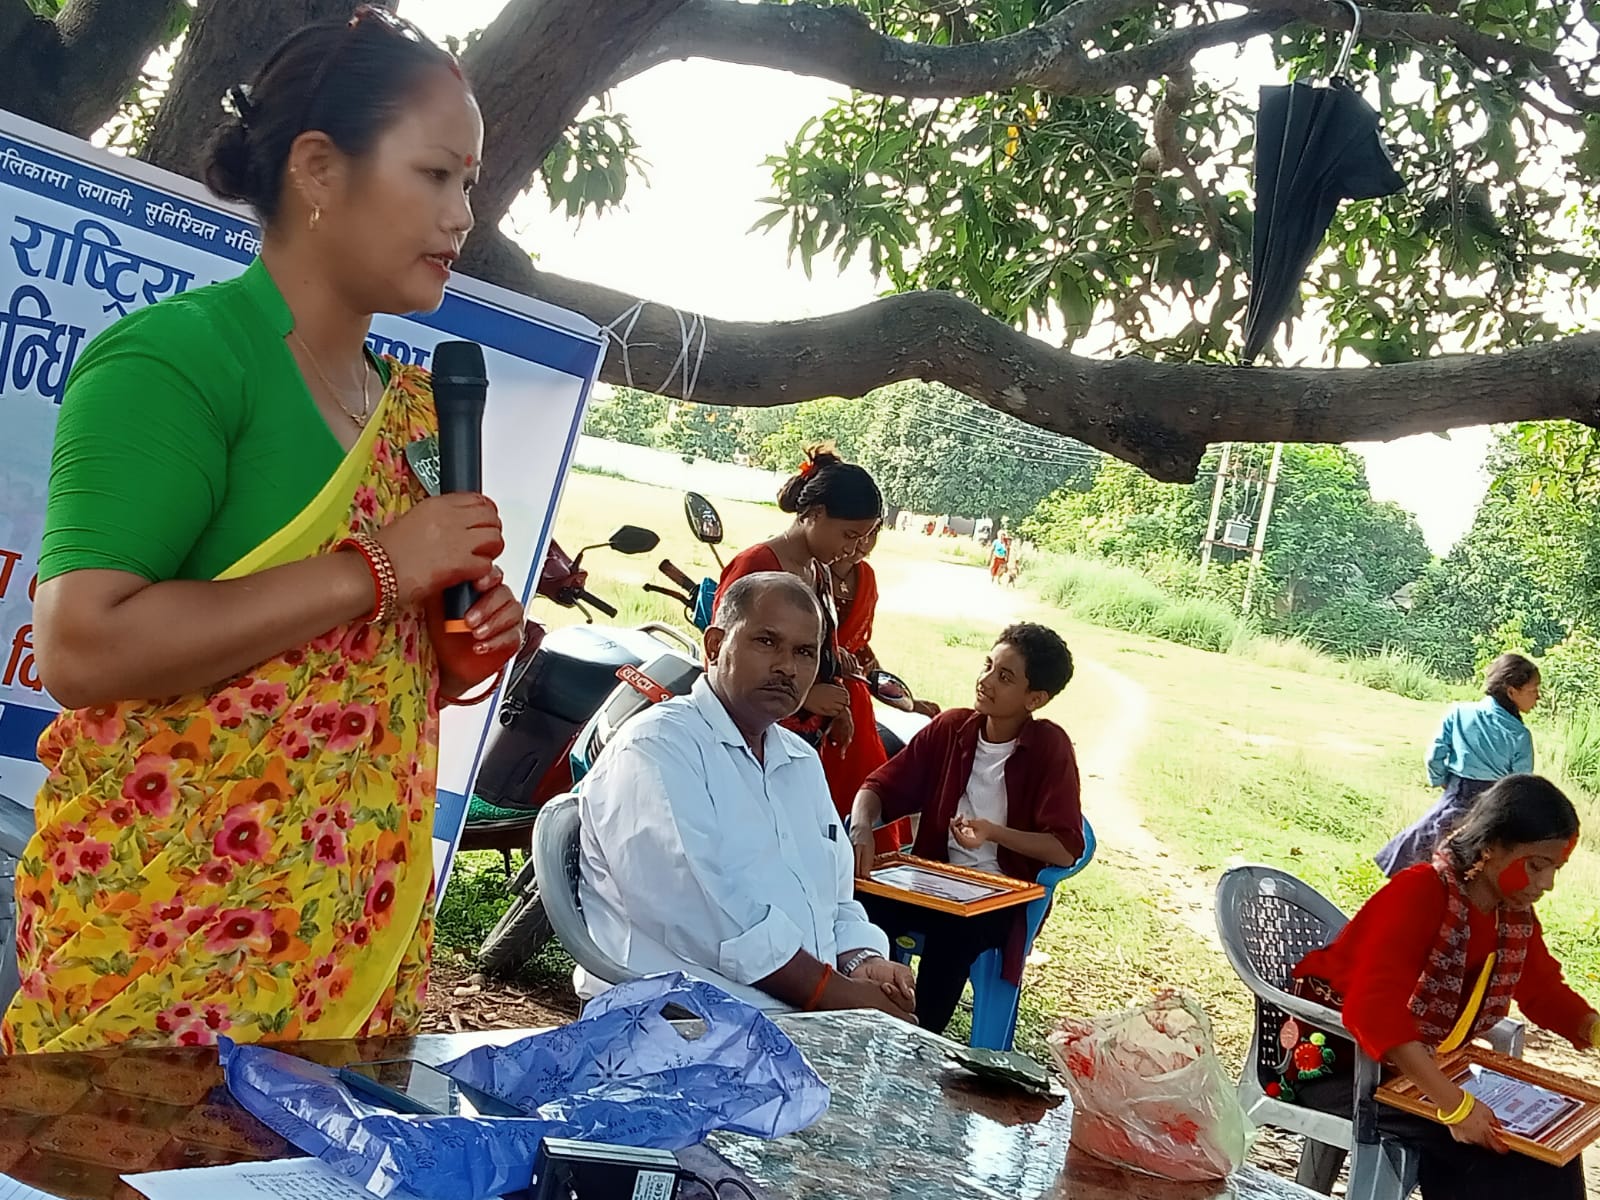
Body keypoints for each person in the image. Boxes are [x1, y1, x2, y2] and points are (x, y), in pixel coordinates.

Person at [5, 9, 528, 1054]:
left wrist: (453, 650)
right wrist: (380, 568)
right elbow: (82, 647)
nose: (461, 215)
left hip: (348, 950)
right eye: (435, 175)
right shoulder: (176, 362)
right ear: (319, 169)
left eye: (468, 184)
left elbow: (348, 670)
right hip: (170, 953)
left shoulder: (410, 412)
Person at [575, 572, 917, 1020]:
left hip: (794, 1017)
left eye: (805, 652)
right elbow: (707, 916)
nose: (788, 667)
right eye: (767, 642)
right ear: (715, 645)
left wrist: (860, 960)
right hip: (677, 1018)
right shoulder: (657, 748)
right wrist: (838, 996)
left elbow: (832, 901)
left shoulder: (800, 760)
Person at [1293, 775, 1597, 1200]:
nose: (1546, 883)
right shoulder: (1419, 892)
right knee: (1502, 1156)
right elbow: (1374, 1010)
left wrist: (1592, 1028)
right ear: (1492, 846)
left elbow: (1542, 990)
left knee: (1551, 1153)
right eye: (1536, 865)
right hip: (1340, 1065)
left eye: (1555, 869)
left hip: (1416, 1066)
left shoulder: (1512, 916)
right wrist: (1453, 1105)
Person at [849, 623, 1085, 1035]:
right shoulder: (951, 728)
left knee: (954, 933)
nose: (986, 680)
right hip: (932, 881)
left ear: (1035, 699)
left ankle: (920, 1036)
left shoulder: (1049, 748)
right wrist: (862, 827)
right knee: (861, 902)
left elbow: (1064, 849)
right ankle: (861, 1014)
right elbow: (878, 788)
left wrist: (993, 832)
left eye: (1004, 677)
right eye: (988, 665)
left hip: (997, 899)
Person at [715, 446, 888, 820]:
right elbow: (722, 661)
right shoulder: (758, 565)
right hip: (746, 741)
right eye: (848, 535)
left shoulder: (818, 570)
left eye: (861, 538)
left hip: (797, 743)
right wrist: (806, 697)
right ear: (816, 514)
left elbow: (825, 653)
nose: (852, 549)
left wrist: (839, 709)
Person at [1377, 653, 1540, 877]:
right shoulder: (1519, 735)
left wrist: (1442, 780)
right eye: (1533, 690)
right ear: (1511, 691)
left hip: (1454, 798)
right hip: (1491, 813)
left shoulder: (1459, 713)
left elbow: (1435, 756)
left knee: (1417, 857)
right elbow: (1519, 787)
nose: (1538, 696)